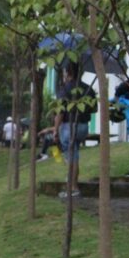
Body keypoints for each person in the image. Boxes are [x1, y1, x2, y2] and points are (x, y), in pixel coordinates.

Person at [53, 59, 96, 199]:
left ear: (68, 71)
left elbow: (59, 112)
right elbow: (94, 108)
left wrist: (55, 130)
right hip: (83, 127)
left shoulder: (65, 89)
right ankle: (71, 185)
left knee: (72, 157)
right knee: (73, 155)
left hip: (68, 126)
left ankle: (73, 188)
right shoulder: (88, 88)